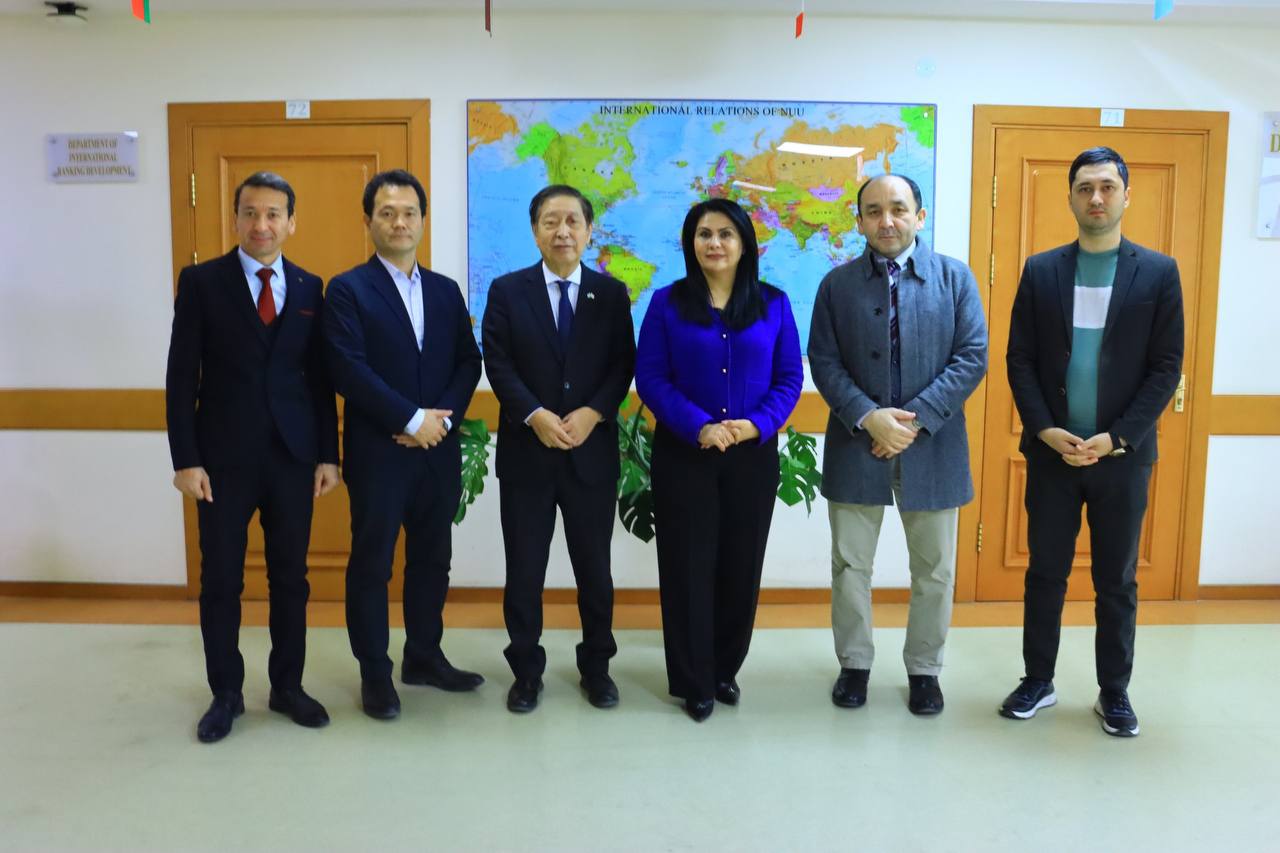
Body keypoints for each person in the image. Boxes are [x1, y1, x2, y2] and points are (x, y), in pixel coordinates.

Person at [999, 147, 1183, 737]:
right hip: (1053, 454)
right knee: (1045, 573)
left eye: (1107, 186)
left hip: (1121, 458)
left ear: (1126, 195)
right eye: (1085, 188)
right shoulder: (1041, 270)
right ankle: (1038, 679)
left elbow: (1166, 367)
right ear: (1071, 198)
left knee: (1116, 581)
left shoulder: (1159, 272)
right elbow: (1020, 359)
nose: (1096, 198)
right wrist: (1043, 429)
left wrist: (1118, 436)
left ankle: (1114, 692)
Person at [165, 171, 340, 743]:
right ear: (235, 218)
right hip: (220, 463)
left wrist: (328, 455)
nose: (261, 225)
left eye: (272, 214)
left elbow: (319, 380)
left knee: (291, 577)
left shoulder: (310, 287)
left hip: (292, 458)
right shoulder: (201, 282)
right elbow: (180, 377)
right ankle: (226, 692)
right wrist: (186, 459)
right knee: (221, 579)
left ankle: (287, 686)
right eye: (249, 213)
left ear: (291, 222)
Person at [808, 173, 987, 716]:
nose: (886, 220)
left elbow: (972, 356)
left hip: (933, 447)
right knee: (849, 565)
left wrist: (912, 423)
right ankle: (854, 664)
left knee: (935, 569)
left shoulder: (954, 279)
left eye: (898, 209)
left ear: (919, 216)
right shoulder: (836, 285)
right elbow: (825, 361)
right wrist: (869, 418)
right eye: (874, 211)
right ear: (859, 220)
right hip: (856, 443)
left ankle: (925, 670)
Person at [635, 197, 803, 722]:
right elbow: (652, 377)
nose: (714, 243)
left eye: (726, 234)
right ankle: (694, 681)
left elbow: (789, 379)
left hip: (752, 456)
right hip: (685, 455)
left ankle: (725, 668)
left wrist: (756, 425)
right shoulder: (667, 303)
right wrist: (700, 426)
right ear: (691, 244)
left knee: (740, 565)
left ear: (744, 244)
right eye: (704, 234)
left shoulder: (774, 304)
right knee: (687, 567)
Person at [324, 169, 483, 720]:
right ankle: (375, 672)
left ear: (422, 220)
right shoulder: (347, 290)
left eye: (409, 212)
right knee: (373, 563)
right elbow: (347, 368)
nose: (399, 222)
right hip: (380, 453)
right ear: (369, 220)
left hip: (437, 451)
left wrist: (440, 423)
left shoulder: (444, 290)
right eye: (387, 212)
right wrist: (411, 419)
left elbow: (468, 361)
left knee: (432, 559)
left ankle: (424, 656)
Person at [481, 186, 636, 713]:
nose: (562, 231)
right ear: (535, 231)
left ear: (589, 231)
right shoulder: (507, 290)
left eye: (573, 221)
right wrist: (534, 414)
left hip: (590, 455)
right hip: (528, 455)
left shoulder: (610, 294)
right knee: (525, 571)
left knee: (594, 570)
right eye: (551, 221)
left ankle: (597, 668)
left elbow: (622, 363)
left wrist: (594, 412)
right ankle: (526, 672)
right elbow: (497, 361)